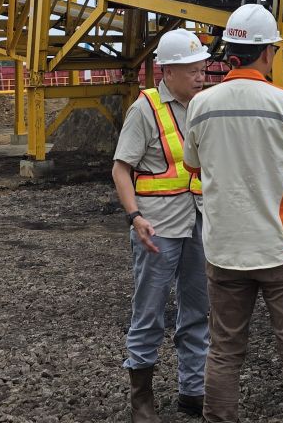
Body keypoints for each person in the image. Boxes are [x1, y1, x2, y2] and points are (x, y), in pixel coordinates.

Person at [182, 4, 283, 423]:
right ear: (267, 53)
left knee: (224, 350)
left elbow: (195, 166)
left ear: (230, 51)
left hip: (223, 248)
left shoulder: (201, 105)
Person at [111, 28, 212, 421]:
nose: (200, 73)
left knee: (197, 311)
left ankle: (193, 390)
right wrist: (135, 217)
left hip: (199, 223)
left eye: (201, 66)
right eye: (191, 68)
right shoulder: (145, 109)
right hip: (158, 229)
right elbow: (121, 170)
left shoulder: (205, 104)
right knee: (149, 312)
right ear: (167, 71)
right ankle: (142, 399)